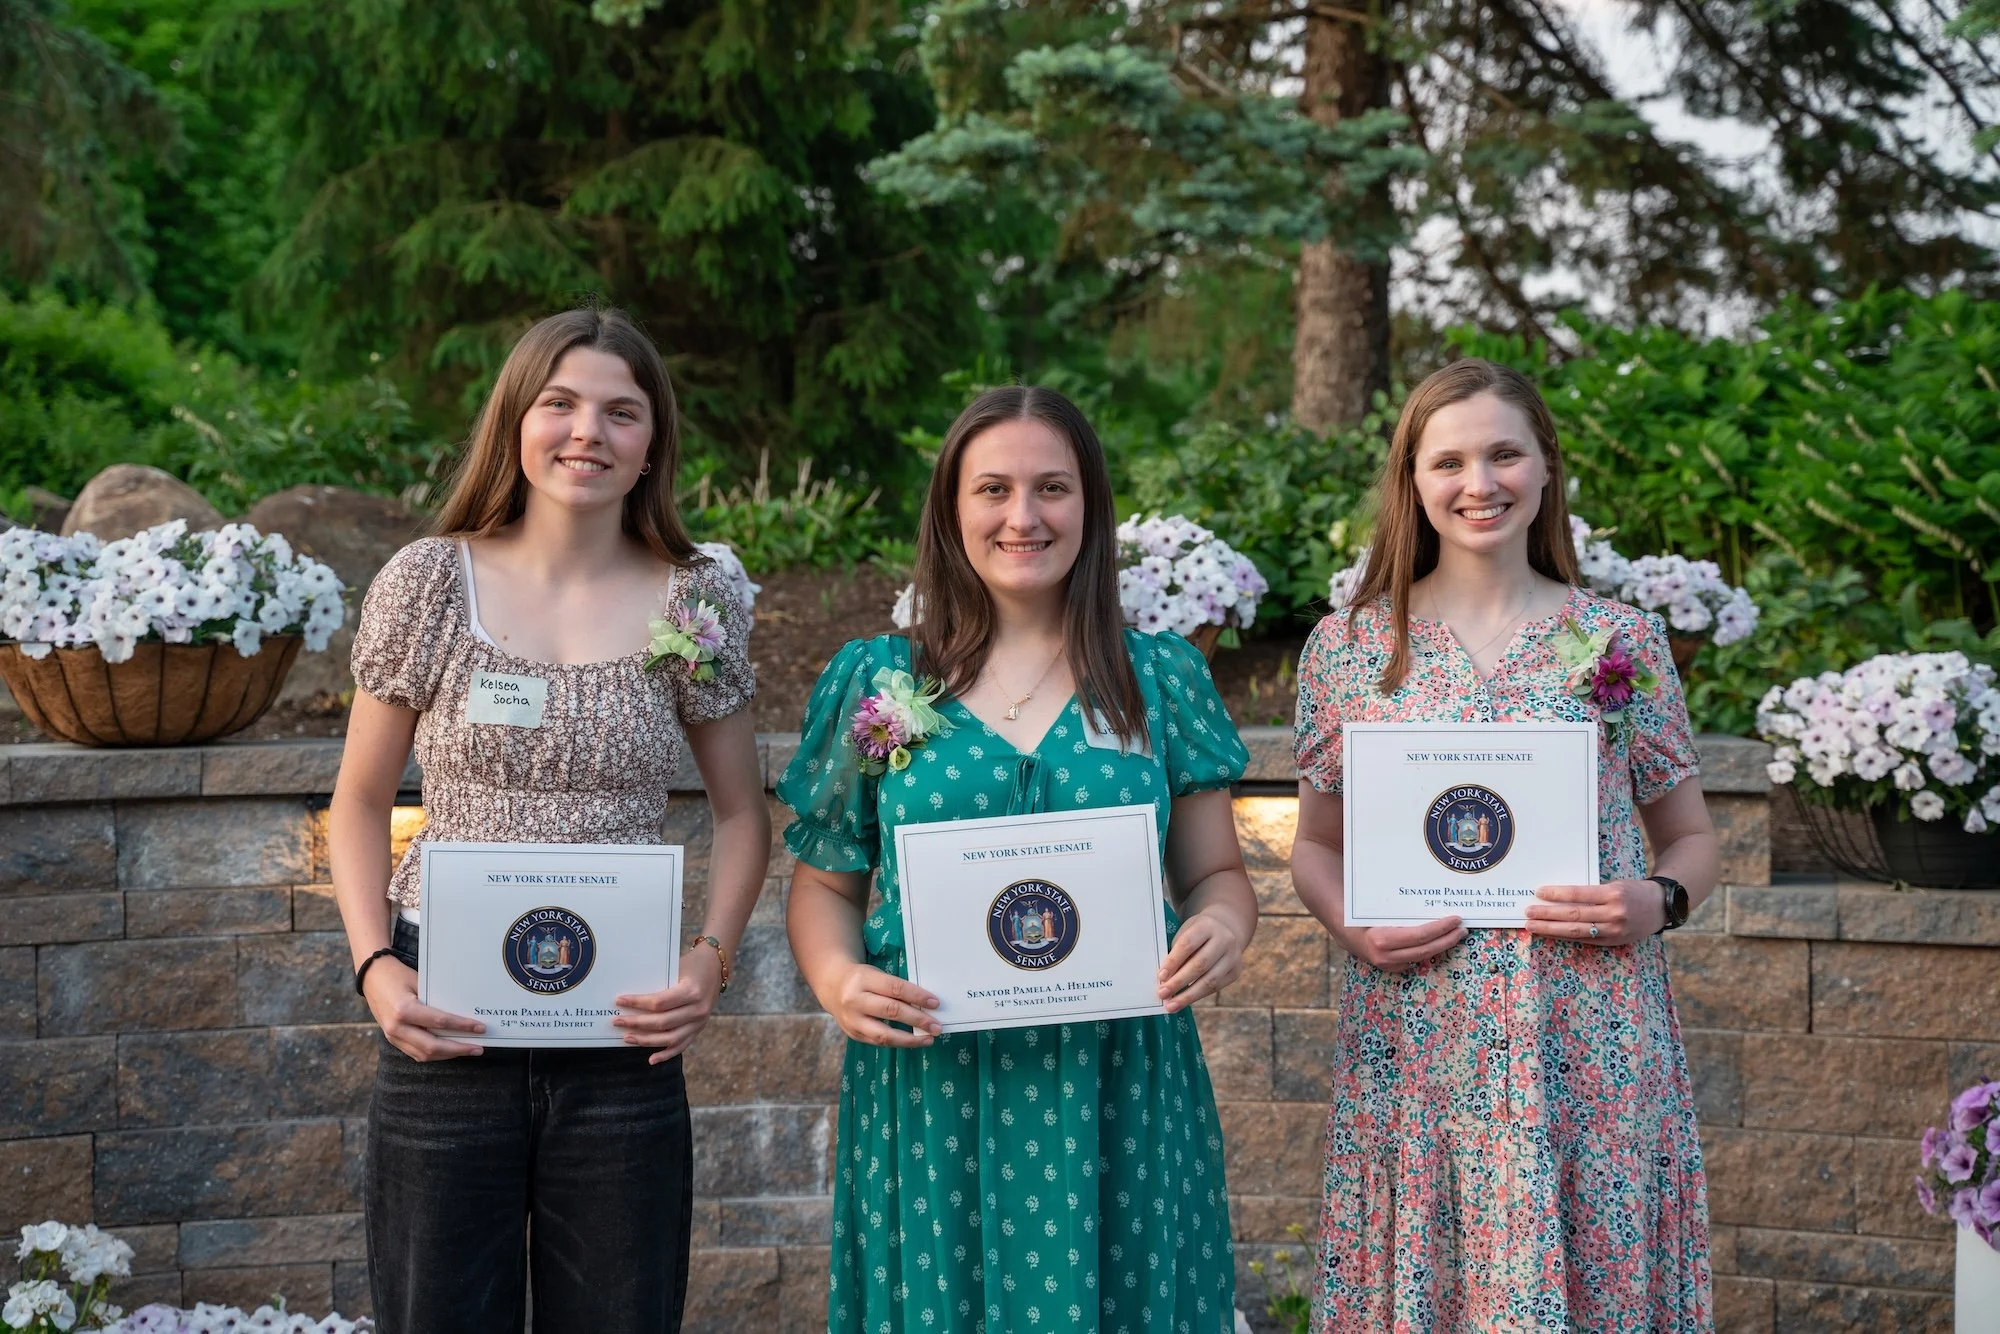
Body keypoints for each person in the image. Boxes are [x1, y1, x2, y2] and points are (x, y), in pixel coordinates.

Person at [779, 385, 1258, 1333]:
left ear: (1091, 506)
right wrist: (837, 980)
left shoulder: (1159, 678)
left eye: (1053, 488)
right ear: (953, 509)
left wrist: (1224, 926)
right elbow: (826, 883)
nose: (1023, 516)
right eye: (992, 488)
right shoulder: (882, 680)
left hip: (1119, 1073)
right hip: (935, 1075)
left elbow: (1215, 876)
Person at [329, 307, 769, 1334]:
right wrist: (372, 965)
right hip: (443, 1017)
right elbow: (357, 799)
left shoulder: (696, 596)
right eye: (560, 402)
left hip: (622, 1030)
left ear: (652, 439)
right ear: (514, 419)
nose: (588, 432)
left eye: (621, 411)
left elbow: (743, 811)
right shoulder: (432, 583)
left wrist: (709, 956)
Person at [1289, 359, 1721, 1332]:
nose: (1476, 483)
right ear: (1410, 479)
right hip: (1418, 1035)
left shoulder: (1620, 640)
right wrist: (1350, 920)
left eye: (1501, 454)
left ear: (1544, 468)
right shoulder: (1350, 647)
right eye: (1446, 461)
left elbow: (1690, 834)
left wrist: (1656, 899)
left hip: (1591, 1036)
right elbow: (1314, 845)